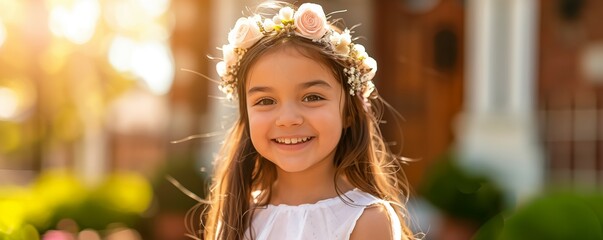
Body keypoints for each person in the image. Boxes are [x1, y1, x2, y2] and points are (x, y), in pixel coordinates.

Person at [196, 1, 414, 239]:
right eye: (266, 101)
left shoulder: (366, 220)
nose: (288, 119)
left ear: (349, 112)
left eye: (312, 97)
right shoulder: (238, 214)